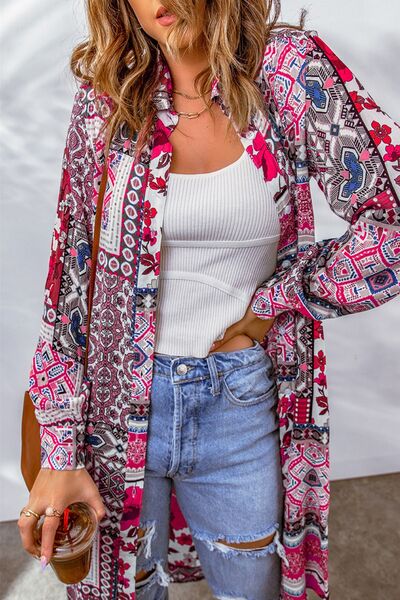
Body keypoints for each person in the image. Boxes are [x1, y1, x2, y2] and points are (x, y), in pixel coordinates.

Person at [18, 1, 400, 599]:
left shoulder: (287, 73)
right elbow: (69, 283)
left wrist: (275, 302)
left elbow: (390, 227)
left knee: (253, 591)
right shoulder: (106, 100)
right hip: (113, 409)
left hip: (238, 403)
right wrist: (60, 451)